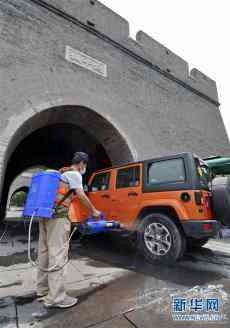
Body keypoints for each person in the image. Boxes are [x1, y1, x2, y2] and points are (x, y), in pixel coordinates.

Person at [36, 152, 101, 309]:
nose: (84, 168)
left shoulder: (61, 173)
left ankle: (43, 290)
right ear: (81, 164)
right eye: (85, 166)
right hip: (58, 218)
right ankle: (56, 298)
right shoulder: (75, 174)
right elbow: (81, 194)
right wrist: (94, 211)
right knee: (57, 255)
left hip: (44, 215)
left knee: (44, 252)